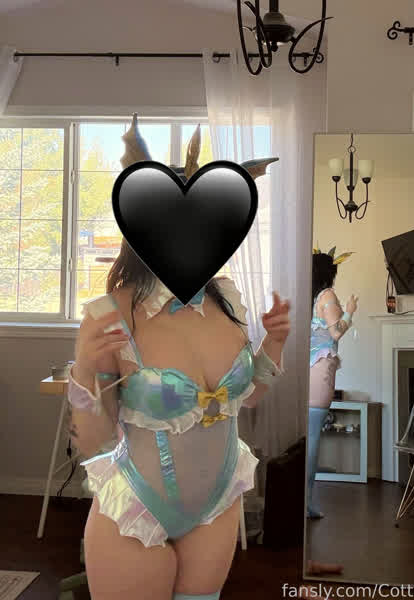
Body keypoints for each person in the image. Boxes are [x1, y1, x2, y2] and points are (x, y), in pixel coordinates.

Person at [67, 116, 290, 600]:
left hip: (217, 504)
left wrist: (273, 342)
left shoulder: (227, 302)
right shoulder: (111, 313)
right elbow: (94, 441)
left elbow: (247, 400)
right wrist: (84, 367)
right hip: (136, 508)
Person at [307, 248, 358, 519]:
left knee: (306, 437)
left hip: (306, 370)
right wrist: (349, 312)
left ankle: (302, 500)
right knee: (313, 439)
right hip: (320, 373)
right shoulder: (326, 295)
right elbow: (336, 331)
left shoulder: (308, 297)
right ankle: (306, 502)